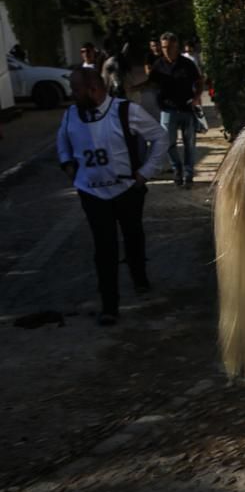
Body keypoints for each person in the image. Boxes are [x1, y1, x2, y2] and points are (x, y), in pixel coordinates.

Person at [57, 68, 167, 326]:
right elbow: (63, 141)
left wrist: (145, 173)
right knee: (104, 247)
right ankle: (110, 305)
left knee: (133, 235)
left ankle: (139, 277)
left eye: (76, 89)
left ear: (93, 89)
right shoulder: (71, 115)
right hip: (92, 192)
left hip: (126, 190)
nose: (72, 94)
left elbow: (159, 137)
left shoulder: (125, 111)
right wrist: (68, 165)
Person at [147, 31, 203, 188]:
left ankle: (188, 174)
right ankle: (176, 168)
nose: (166, 50)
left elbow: (199, 81)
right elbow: (150, 83)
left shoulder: (187, 64)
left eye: (169, 47)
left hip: (186, 108)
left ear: (176, 46)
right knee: (167, 143)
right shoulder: (158, 65)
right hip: (168, 110)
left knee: (189, 144)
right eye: (163, 47)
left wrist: (197, 97)